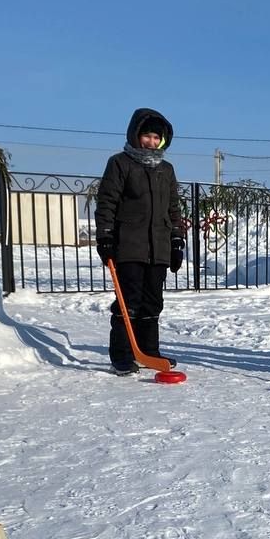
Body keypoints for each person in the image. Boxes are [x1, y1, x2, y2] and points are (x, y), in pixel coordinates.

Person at [95, 107, 185, 374]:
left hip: (158, 248)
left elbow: (173, 208)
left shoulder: (166, 169)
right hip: (129, 246)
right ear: (135, 135)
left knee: (153, 302)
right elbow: (107, 203)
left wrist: (176, 240)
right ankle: (122, 354)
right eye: (147, 136)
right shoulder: (120, 163)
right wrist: (105, 237)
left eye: (157, 138)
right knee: (128, 301)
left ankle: (149, 350)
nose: (152, 142)